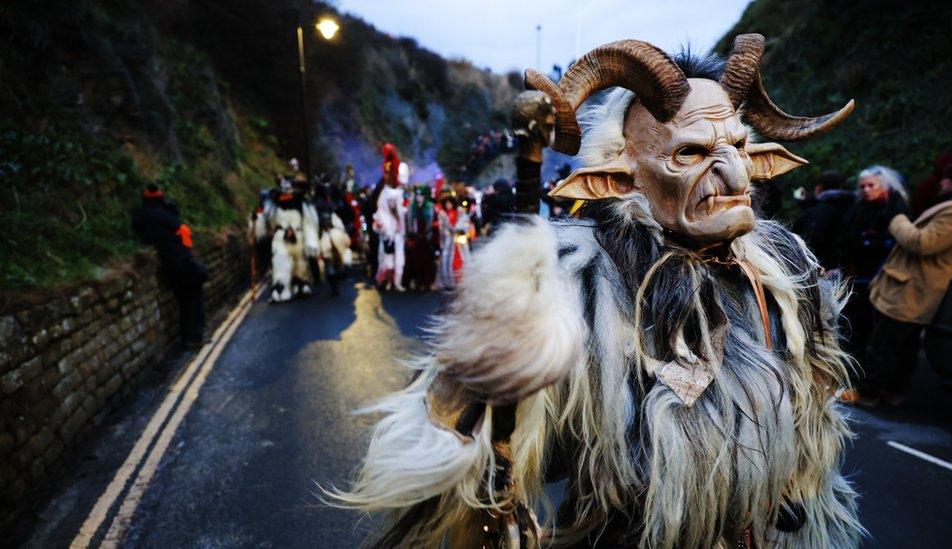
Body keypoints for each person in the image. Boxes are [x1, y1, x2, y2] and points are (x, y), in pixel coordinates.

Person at [331, 36, 863, 547]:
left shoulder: (784, 273)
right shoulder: (587, 287)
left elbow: (814, 420)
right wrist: (498, 373)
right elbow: (474, 440)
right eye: (691, 153)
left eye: (740, 147)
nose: (733, 173)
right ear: (620, 179)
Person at [851, 157, 952, 406]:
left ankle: (868, 393)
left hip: (911, 289)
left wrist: (897, 219)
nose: (942, 182)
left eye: (948, 177)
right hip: (911, 287)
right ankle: (891, 392)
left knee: (884, 345)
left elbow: (921, 242)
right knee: (901, 346)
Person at [838, 165, 911, 362]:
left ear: (884, 186)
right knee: (855, 328)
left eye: (871, 185)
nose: (866, 190)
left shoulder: (895, 210)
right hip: (857, 278)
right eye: (863, 186)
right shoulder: (856, 210)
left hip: (884, 279)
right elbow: (846, 242)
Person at [131, 184, 208, 347]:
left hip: (168, 264)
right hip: (181, 260)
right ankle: (194, 337)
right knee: (194, 299)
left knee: (182, 301)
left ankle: (186, 337)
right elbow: (185, 233)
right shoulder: (165, 215)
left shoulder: (140, 216)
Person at [793, 171, 854, 269]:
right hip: (848, 267)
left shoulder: (819, 211)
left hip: (823, 266)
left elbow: (811, 240)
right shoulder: (852, 204)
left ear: (819, 187)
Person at [374, 156, 408, 291]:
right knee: (387, 260)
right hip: (388, 234)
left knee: (399, 259)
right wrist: (382, 227)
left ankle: (397, 282)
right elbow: (378, 219)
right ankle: (388, 282)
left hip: (398, 233)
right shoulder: (384, 196)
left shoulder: (400, 198)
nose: (392, 204)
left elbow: (403, 214)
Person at [434, 193, 470, 290]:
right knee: (447, 260)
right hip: (448, 241)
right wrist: (446, 236)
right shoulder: (443, 214)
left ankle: (461, 280)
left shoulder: (460, 212)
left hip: (459, 240)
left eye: (450, 203)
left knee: (461, 259)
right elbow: (442, 230)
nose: (448, 205)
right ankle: (449, 281)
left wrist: (461, 230)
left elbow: (466, 224)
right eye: (446, 203)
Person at [403, 186, 436, 291]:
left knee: (427, 262)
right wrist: (409, 235)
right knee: (414, 261)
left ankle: (426, 282)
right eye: (417, 195)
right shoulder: (411, 207)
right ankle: (417, 281)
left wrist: (430, 236)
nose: (419, 197)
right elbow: (408, 222)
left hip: (426, 238)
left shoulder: (430, 207)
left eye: (421, 195)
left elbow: (433, 222)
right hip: (415, 238)